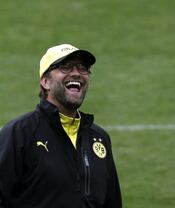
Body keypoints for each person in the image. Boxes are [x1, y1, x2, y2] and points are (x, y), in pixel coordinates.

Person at [0, 44, 122, 207]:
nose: (77, 73)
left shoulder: (98, 138)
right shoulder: (19, 133)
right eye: (65, 67)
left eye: (83, 68)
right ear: (45, 82)